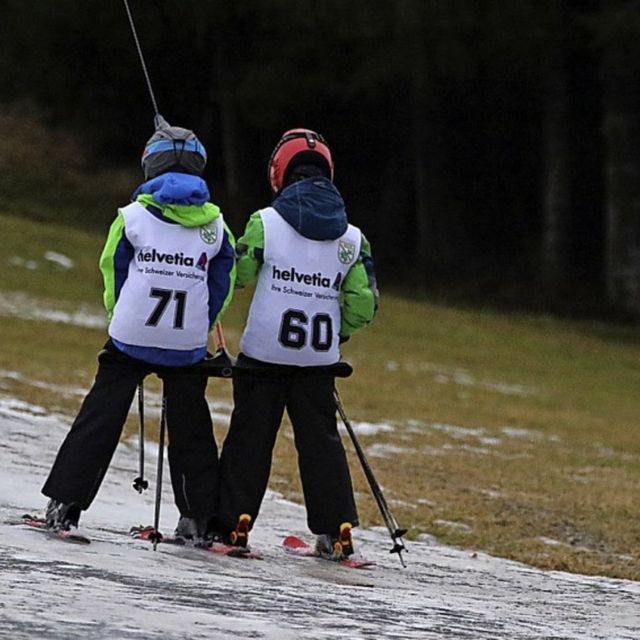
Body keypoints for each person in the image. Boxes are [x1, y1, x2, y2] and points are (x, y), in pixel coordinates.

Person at [41, 116, 236, 544]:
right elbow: (222, 285)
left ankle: (65, 505)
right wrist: (199, 327)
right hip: (186, 340)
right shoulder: (217, 227)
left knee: (101, 414)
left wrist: (119, 315)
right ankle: (199, 520)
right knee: (192, 423)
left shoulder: (131, 216)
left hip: (131, 334)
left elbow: (113, 269)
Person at [218, 128, 378, 559]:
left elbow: (240, 275)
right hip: (318, 358)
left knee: (250, 437)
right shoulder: (353, 238)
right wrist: (337, 331)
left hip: (265, 353)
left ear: (279, 173)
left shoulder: (264, 223)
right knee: (320, 442)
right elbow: (364, 302)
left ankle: (232, 525)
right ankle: (337, 531)